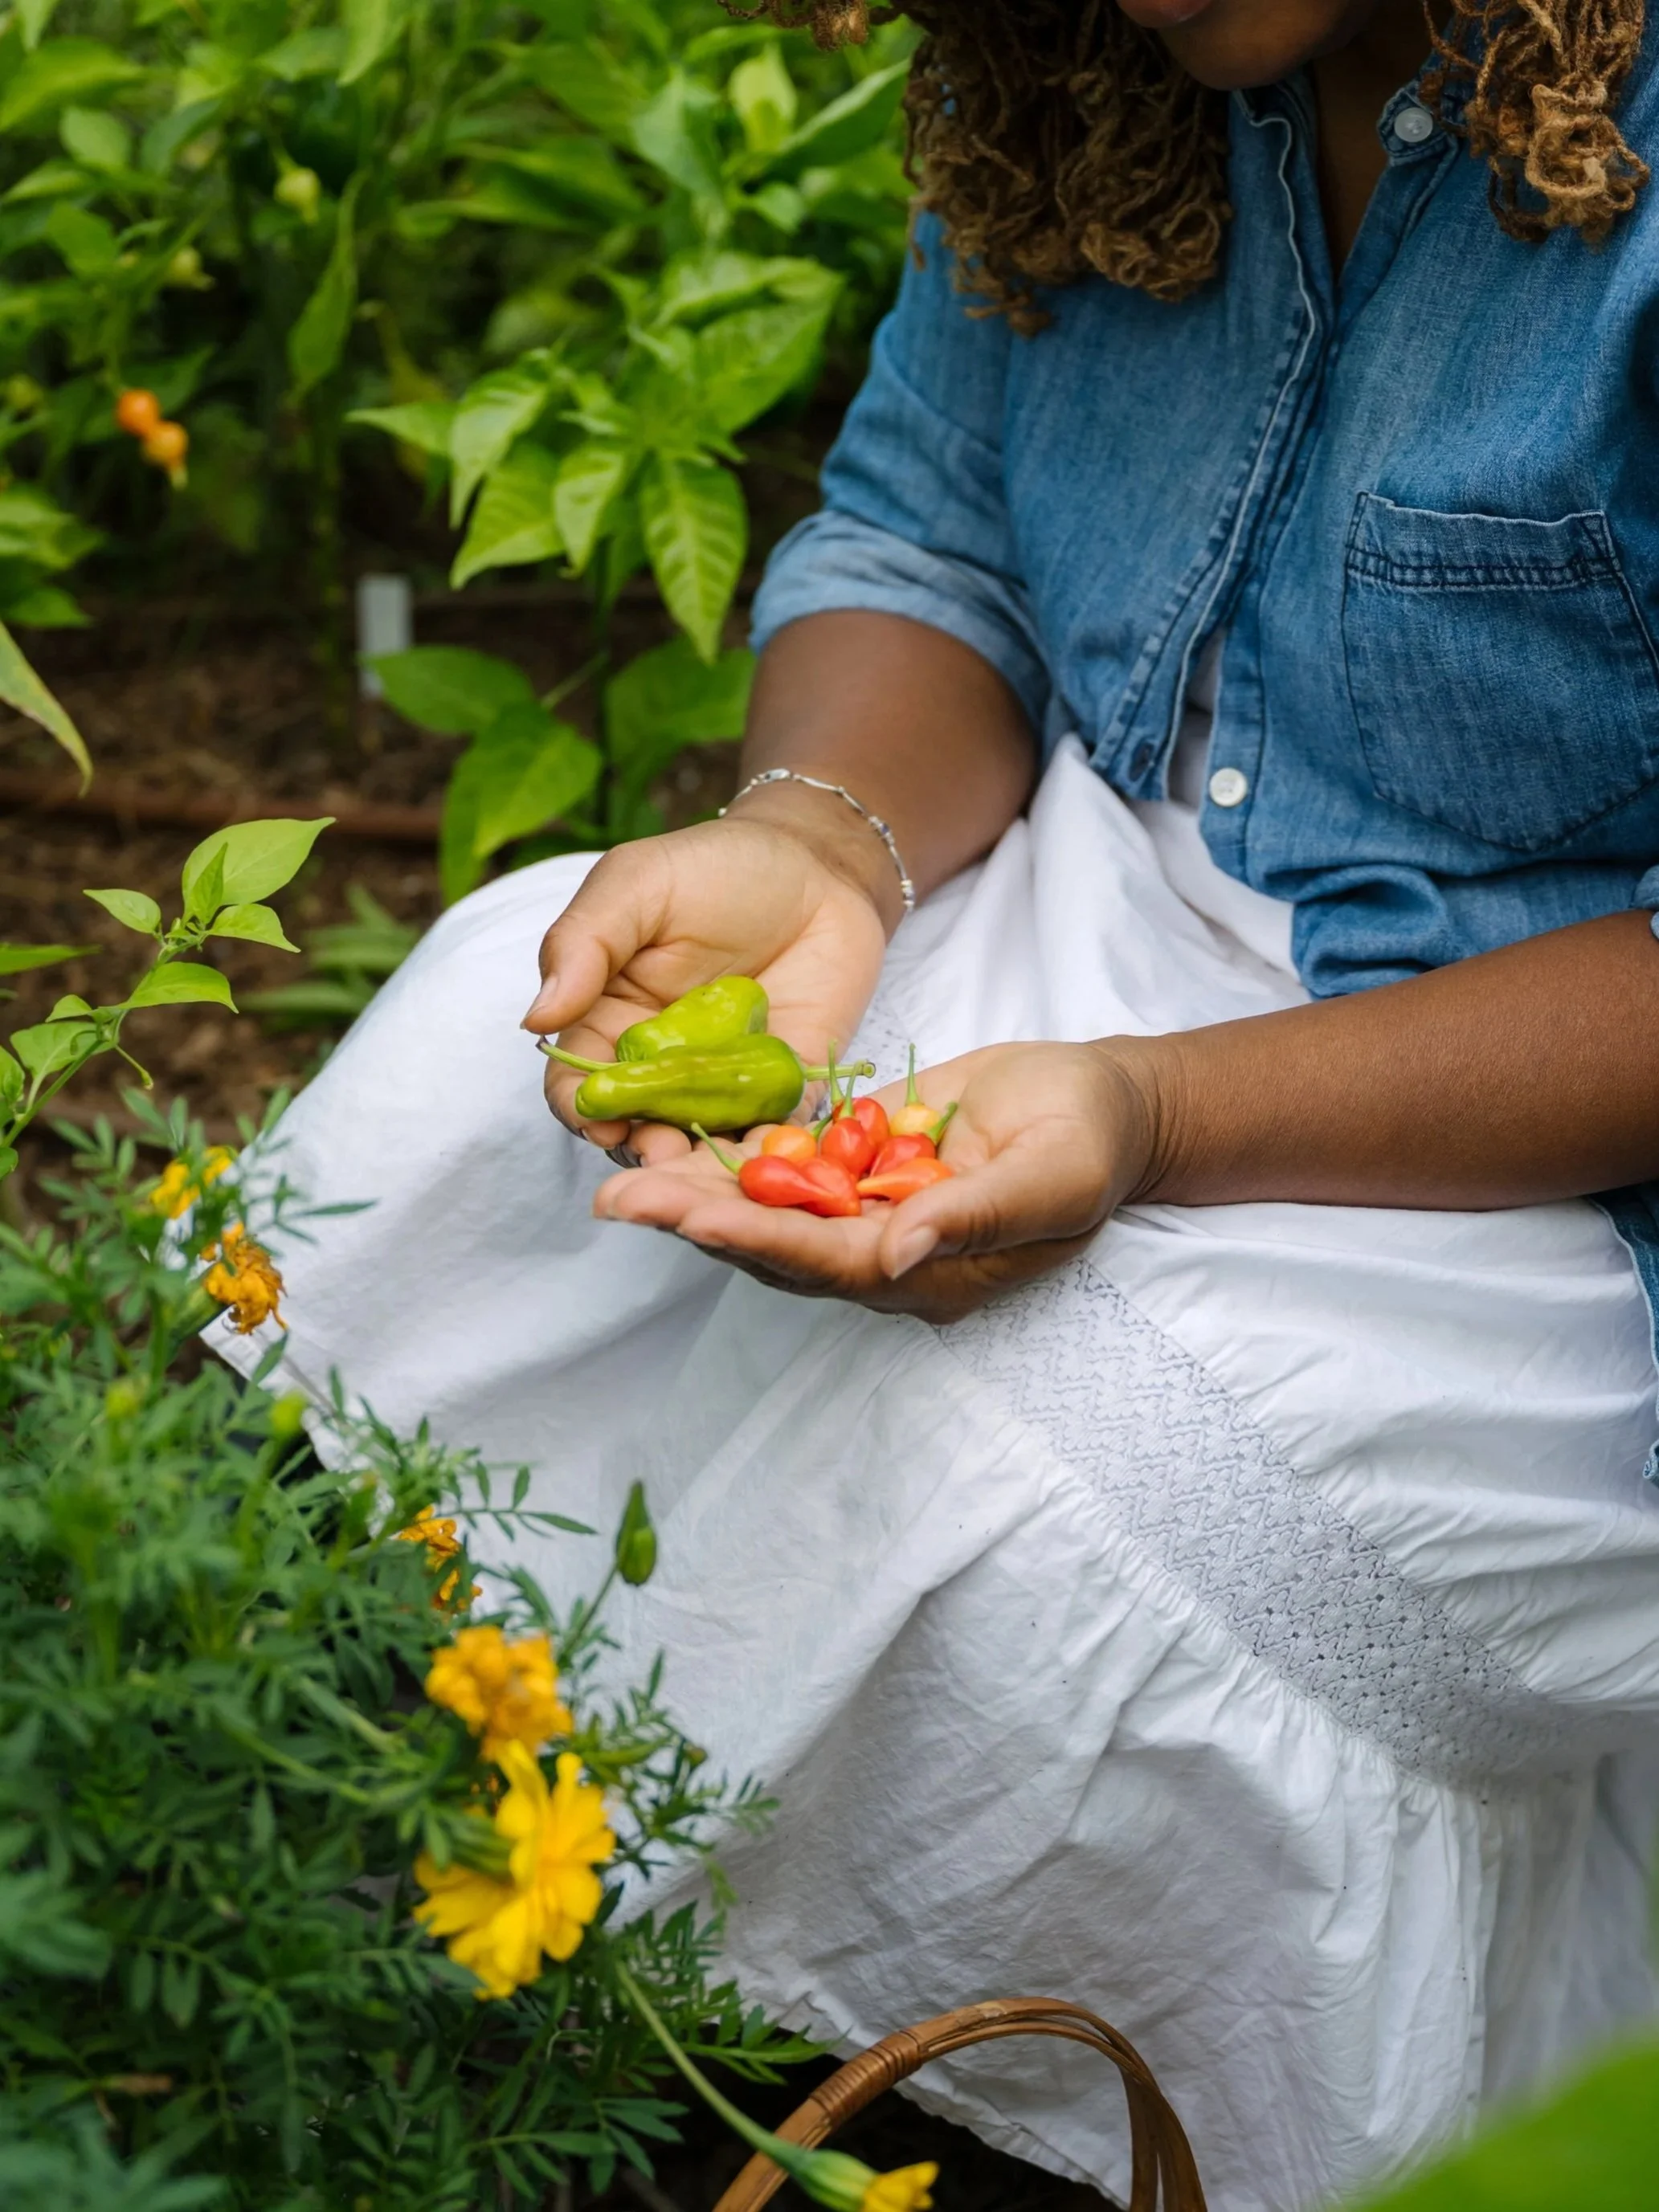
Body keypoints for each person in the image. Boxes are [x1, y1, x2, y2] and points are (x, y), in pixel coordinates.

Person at [225, 0, 1659, 2204]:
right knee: (481, 1063)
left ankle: (882, 2112)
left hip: (1546, 1140)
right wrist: (819, 840)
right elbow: (933, 546)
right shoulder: (1081, 63)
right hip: (1103, 894)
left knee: (1031, 1472)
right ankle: (342, 1976)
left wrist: (1156, 1116)